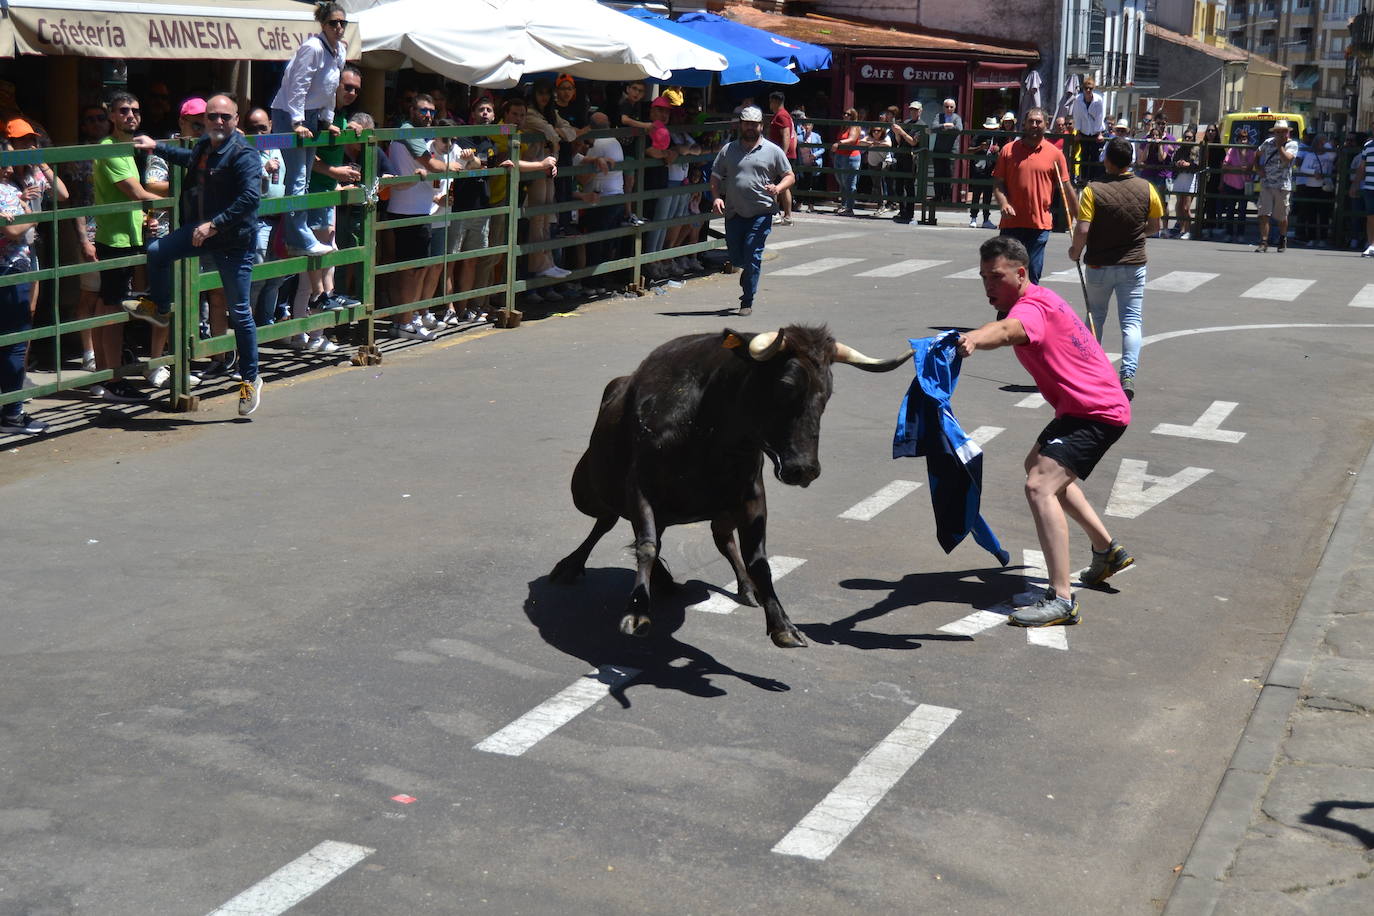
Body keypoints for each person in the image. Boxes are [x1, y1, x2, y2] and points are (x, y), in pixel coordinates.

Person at [957, 235, 1133, 627]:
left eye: (996, 276)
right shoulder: (1040, 297)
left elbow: (1006, 332)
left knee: (1039, 484)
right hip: (1082, 406)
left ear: (1021, 273)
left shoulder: (1032, 307)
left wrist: (971, 338)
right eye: (983, 276)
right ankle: (1107, 551)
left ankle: (1061, 599)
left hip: (1096, 411)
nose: (988, 285)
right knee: (1038, 464)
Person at [122, 95, 265, 417]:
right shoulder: (204, 145)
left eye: (223, 117)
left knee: (239, 312)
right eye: (211, 117)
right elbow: (187, 159)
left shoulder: (244, 154)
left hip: (233, 240)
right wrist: (154, 146)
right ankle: (160, 307)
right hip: (201, 229)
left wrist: (215, 225)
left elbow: (249, 199)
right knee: (157, 251)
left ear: (236, 120)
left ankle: (250, 379)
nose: (216, 122)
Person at [1068, 136, 1163, 401]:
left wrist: (1075, 251)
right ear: (1130, 160)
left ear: (1107, 160)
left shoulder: (1093, 190)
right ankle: (1128, 374)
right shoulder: (1146, 188)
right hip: (1133, 263)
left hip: (1099, 263)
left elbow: (1083, 228)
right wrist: (1134, 234)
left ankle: (1089, 372)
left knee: (1095, 316)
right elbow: (1156, 226)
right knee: (1131, 320)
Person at [91, 90, 164, 404]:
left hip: (132, 238)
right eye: (123, 110)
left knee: (112, 306)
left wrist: (148, 217)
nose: (130, 115)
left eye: (135, 110)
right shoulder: (109, 149)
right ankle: (112, 378)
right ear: (111, 115)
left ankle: (106, 373)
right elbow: (135, 191)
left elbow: (138, 197)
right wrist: (181, 204)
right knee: (113, 308)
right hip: (115, 240)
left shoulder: (131, 148)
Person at [269, 0, 347, 257]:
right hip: (289, 115)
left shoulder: (339, 52)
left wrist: (327, 120)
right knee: (298, 177)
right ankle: (299, 238)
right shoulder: (312, 47)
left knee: (304, 179)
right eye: (333, 22)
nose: (338, 27)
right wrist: (297, 122)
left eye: (342, 23)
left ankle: (297, 236)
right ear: (323, 24)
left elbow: (329, 89)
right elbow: (297, 86)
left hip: (312, 116)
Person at [710, 105, 794, 317]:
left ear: (761, 126)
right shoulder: (728, 150)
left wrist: (778, 187)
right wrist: (717, 197)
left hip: (761, 211)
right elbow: (715, 176)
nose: (749, 128)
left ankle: (747, 300)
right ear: (741, 125)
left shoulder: (772, 150)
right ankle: (746, 269)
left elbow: (789, 175)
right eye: (746, 123)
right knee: (737, 257)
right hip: (734, 212)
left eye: (753, 124)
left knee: (753, 253)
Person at [993, 107, 1076, 284]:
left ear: (1046, 125)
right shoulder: (1008, 150)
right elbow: (998, 184)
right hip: (1011, 224)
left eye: (1038, 122)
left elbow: (1066, 187)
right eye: (1031, 121)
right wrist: (1003, 203)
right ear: (1024, 124)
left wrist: (1079, 218)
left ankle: (1028, 311)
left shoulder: (1055, 154)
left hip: (1039, 225)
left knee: (1032, 277)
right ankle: (1008, 312)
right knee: (1007, 277)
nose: (1034, 125)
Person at [0, 138, 48, 435]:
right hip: (10, 268)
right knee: (15, 342)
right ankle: (13, 414)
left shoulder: (11, 189)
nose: (8, 164)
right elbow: (13, 229)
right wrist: (28, 213)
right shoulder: (6, 190)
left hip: (15, 266)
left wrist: (21, 210)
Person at [60, 100, 110, 372]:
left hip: (117, 232)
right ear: (82, 125)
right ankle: (89, 352)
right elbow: (75, 202)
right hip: (91, 232)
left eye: (101, 117)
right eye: (90, 119)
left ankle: (108, 351)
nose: (96, 123)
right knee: (89, 296)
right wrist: (83, 240)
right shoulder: (79, 156)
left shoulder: (117, 149)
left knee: (111, 297)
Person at [1252, 119, 1299, 253]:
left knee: (1281, 216)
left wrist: (1280, 146)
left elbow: (1288, 159)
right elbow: (1257, 154)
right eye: (1277, 132)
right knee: (1264, 213)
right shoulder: (1267, 143)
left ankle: (1282, 238)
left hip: (1282, 184)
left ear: (1287, 133)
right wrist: (1258, 168)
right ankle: (1264, 241)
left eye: (1282, 132)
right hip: (1267, 183)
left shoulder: (1292, 145)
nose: (1279, 134)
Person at [888, 100, 923, 223]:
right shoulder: (906, 122)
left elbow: (913, 142)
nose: (913, 112)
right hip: (901, 156)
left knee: (909, 186)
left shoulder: (921, 124)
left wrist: (901, 132)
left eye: (916, 110)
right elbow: (898, 141)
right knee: (898, 186)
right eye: (911, 110)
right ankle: (902, 210)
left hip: (911, 158)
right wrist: (897, 133)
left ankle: (910, 212)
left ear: (920, 111)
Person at [766, 91, 796, 225]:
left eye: (771, 101)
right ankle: (785, 215)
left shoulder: (781, 116)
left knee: (776, 185)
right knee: (783, 186)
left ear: (775, 101)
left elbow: (786, 135)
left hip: (782, 156)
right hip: (784, 155)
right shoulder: (783, 115)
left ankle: (777, 213)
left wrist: (782, 155)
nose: (770, 104)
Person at [1069, 76, 1106, 182]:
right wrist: (1078, 131)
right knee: (1084, 154)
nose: (1088, 90)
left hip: (1095, 131)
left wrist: (1099, 133)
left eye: (1090, 88)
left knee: (1095, 155)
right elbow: (1077, 116)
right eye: (1086, 88)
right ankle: (1083, 177)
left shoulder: (1099, 100)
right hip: (1084, 130)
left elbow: (1100, 116)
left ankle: (1093, 178)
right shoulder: (1078, 100)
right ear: (1083, 89)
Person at [1168, 127, 1200, 240]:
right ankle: (1181, 229)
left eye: (1189, 137)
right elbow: (1172, 162)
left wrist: (1188, 164)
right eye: (1185, 137)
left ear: (1193, 138)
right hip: (1179, 177)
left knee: (1186, 207)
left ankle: (1188, 230)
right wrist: (1178, 163)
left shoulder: (1196, 149)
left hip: (1190, 178)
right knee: (1179, 205)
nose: (1187, 139)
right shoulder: (1179, 149)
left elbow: (1197, 165)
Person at [968, 116, 999, 229]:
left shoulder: (997, 137)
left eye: (993, 129)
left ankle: (986, 220)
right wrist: (980, 147)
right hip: (978, 169)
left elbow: (1001, 151)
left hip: (990, 170)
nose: (991, 131)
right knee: (976, 195)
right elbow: (969, 150)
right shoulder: (979, 136)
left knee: (987, 196)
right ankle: (973, 218)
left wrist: (997, 150)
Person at [832, 107, 863, 216]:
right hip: (840, 156)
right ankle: (843, 205)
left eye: (848, 114)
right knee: (842, 182)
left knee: (850, 183)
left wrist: (838, 143)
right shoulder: (843, 126)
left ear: (853, 116)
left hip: (851, 157)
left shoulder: (854, 126)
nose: (845, 116)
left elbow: (852, 139)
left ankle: (849, 208)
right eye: (844, 113)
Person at [932, 97, 963, 204]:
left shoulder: (957, 118)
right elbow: (934, 127)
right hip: (938, 150)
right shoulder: (938, 116)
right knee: (938, 174)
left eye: (951, 107)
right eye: (946, 106)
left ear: (954, 108)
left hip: (951, 151)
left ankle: (947, 196)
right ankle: (937, 196)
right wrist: (945, 125)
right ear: (943, 107)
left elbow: (959, 129)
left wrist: (946, 128)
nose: (949, 109)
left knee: (948, 175)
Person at [795, 113, 823, 213]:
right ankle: (799, 203)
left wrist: (815, 155)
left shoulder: (816, 136)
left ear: (812, 126)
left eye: (809, 125)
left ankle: (811, 206)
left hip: (814, 163)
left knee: (813, 185)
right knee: (802, 184)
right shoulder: (799, 137)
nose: (807, 126)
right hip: (803, 163)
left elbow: (822, 149)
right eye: (805, 124)